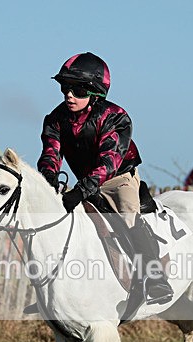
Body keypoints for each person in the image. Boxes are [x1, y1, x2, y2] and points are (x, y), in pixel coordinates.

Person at [37, 52, 173, 305]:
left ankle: (155, 280)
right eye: (66, 88)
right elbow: (50, 154)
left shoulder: (116, 117)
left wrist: (82, 190)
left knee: (128, 217)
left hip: (117, 180)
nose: (69, 95)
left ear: (95, 93)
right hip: (83, 182)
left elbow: (109, 161)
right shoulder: (54, 119)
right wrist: (49, 179)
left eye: (77, 90)